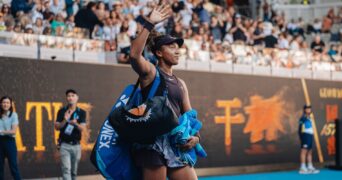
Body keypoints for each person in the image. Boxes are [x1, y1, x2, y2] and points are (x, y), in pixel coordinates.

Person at [129, 4, 200, 180]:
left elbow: (188, 115)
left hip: (175, 143)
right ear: (159, 53)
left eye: (178, 47)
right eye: (171, 47)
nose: (177, 50)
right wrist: (149, 24)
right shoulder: (151, 73)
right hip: (152, 143)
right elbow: (134, 55)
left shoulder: (181, 83)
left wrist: (196, 137)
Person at [54, 89, 86, 180]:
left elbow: (82, 128)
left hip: (76, 145)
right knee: (66, 169)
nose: (70, 98)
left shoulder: (81, 112)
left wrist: (75, 124)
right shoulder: (61, 111)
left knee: (73, 172)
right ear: (66, 98)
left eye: (73, 95)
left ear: (77, 97)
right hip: (64, 145)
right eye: (68, 96)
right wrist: (65, 120)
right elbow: (57, 127)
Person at [0, 96, 21, 180]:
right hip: (0, 142)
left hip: (10, 142)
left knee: (13, 167)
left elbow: (13, 131)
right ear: (1, 104)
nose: (5, 104)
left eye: (7, 103)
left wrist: (1, 132)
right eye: (4, 102)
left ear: (10, 104)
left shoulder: (14, 115)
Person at [298, 105, 320, 174]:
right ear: (304, 110)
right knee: (303, 151)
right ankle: (302, 168)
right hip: (305, 136)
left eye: (310, 109)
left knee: (310, 151)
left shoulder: (310, 118)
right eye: (307, 109)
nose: (309, 110)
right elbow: (299, 129)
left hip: (310, 136)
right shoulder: (303, 118)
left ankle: (310, 167)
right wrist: (302, 137)